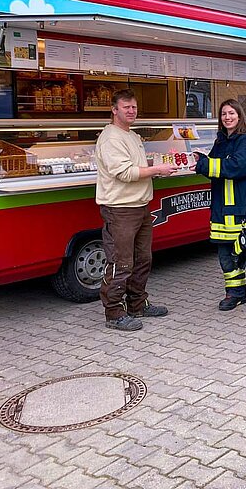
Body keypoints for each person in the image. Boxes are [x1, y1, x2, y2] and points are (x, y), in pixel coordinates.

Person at [95, 89, 176, 331]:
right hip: (120, 209)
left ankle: (137, 304)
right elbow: (125, 173)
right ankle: (114, 313)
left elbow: (137, 167)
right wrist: (157, 170)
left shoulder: (131, 135)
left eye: (134, 107)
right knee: (121, 262)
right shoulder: (111, 138)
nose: (131, 111)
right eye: (126, 107)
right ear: (114, 109)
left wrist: (162, 164)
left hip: (140, 205)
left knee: (143, 259)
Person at [193, 99, 246, 310]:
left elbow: (235, 167)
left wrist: (204, 164)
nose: (227, 117)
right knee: (225, 256)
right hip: (222, 209)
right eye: (223, 114)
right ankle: (235, 293)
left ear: (239, 116)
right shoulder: (220, 141)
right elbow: (214, 166)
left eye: (231, 113)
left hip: (245, 208)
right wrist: (198, 160)